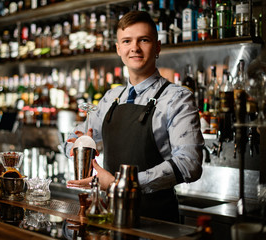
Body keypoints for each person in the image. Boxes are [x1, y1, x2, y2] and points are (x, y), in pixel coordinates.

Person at [64, 10, 204, 223]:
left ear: (157, 47)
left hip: (157, 223)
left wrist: (120, 184)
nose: (134, 48)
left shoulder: (177, 98)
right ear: (118, 49)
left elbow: (189, 164)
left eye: (144, 40)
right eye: (127, 41)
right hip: (111, 218)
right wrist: (76, 148)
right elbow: (74, 138)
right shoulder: (111, 98)